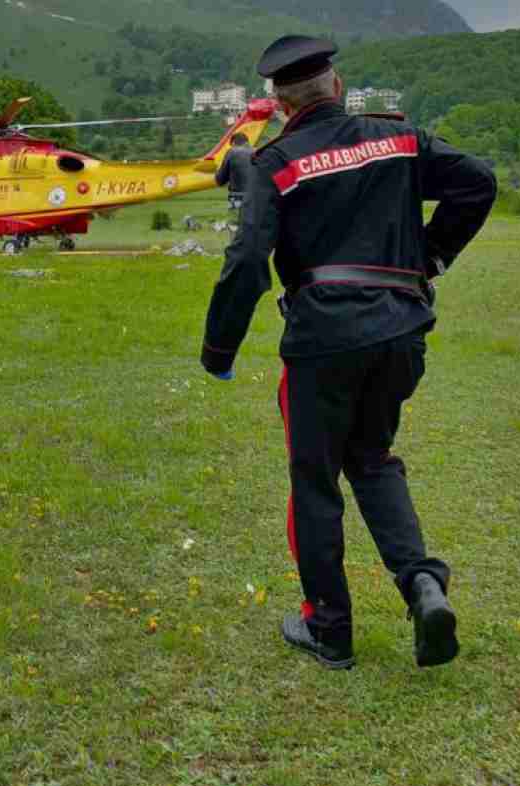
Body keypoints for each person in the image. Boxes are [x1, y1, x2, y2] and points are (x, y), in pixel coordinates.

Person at [199, 35, 496, 670]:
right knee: (373, 459)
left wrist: (218, 348)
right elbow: (478, 183)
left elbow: (249, 259)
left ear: (280, 104)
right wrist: (428, 258)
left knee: (314, 482)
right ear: (336, 87)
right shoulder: (401, 139)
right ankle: (421, 585)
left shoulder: (276, 163)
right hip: (399, 332)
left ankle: (329, 628)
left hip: (323, 339)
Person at [215, 132, 253, 219]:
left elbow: (220, 180)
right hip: (256, 198)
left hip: (237, 197)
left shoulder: (232, 152)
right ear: (247, 142)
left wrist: (218, 171)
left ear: (233, 143)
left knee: (235, 225)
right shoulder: (258, 152)